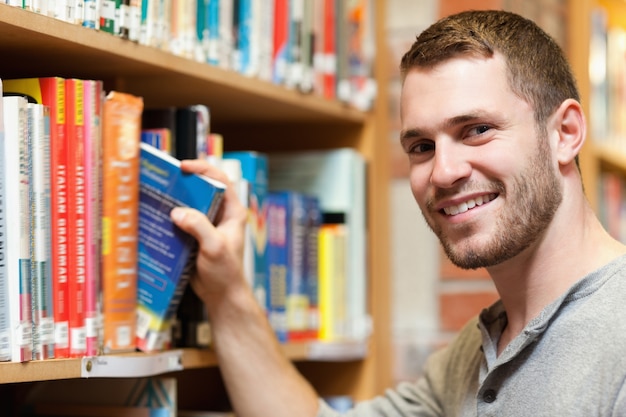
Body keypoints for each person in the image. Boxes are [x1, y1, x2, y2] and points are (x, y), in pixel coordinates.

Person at [170, 9, 626, 417]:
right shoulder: (473, 356)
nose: (444, 173)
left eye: (477, 130)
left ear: (565, 133)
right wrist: (227, 292)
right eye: (422, 147)